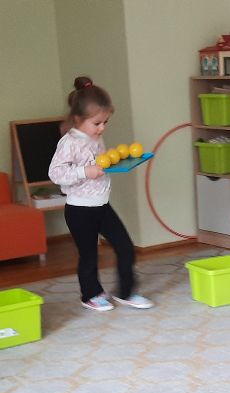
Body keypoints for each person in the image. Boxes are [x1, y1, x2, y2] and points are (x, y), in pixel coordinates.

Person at [49, 75, 153, 312]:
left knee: (125, 246)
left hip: (102, 205)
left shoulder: (96, 137)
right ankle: (90, 295)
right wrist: (85, 171)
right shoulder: (69, 142)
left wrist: (117, 160)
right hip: (79, 209)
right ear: (78, 119)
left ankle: (126, 292)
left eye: (105, 122)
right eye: (97, 123)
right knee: (89, 256)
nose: (102, 128)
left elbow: (101, 163)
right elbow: (55, 173)